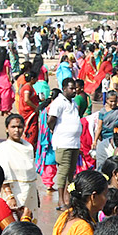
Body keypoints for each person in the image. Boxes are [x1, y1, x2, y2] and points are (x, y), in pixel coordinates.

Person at [0, 113, 41, 220]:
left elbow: (30, 174)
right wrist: (10, 196)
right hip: (13, 193)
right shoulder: (3, 149)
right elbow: (2, 176)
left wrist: (35, 193)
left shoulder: (28, 147)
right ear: (7, 129)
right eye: (13, 127)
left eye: (19, 127)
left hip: (29, 193)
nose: (16, 130)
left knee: (28, 223)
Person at [46, 78, 85, 212]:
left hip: (74, 143)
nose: (74, 90)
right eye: (71, 88)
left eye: (75, 88)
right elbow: (50, 120)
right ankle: (61, 200)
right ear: (64, 89)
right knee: (63, 171)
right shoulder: (58, 102)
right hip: (63, 143)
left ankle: (68, 199)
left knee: (70, 173)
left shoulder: (73, 102)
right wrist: (55, 130)